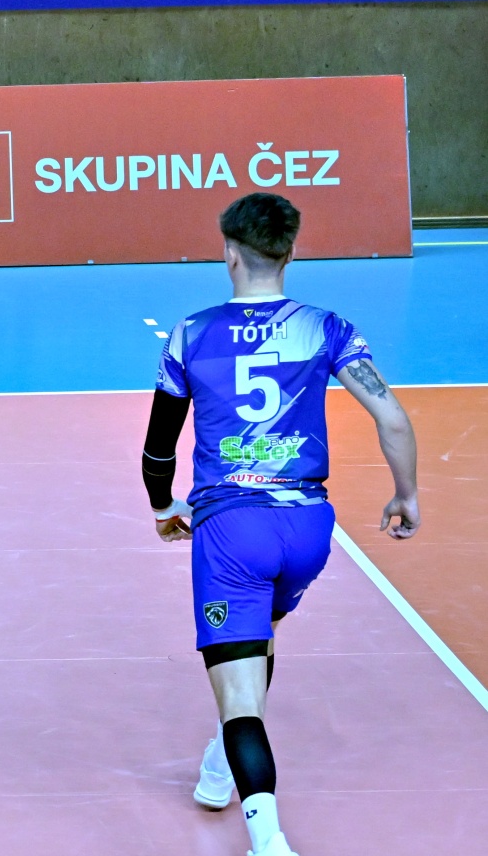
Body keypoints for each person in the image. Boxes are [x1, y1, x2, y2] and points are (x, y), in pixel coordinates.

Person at [140, 193, 420, 856]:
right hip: (308, 531)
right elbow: (392, 418)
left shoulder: (191, 334)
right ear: (290, 253)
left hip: (232, 531)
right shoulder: (326, 327)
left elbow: (158, 449)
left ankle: (268, 842)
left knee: (241, 698)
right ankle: (218, 767)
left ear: (228, 254)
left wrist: (162, 506)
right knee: (257, 639)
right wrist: (406, 494)